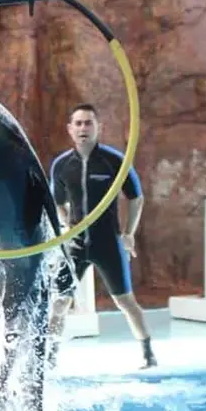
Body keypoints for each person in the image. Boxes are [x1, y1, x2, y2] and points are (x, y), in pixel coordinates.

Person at [47, 103, 157, 369]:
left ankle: (148, 353)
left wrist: (128, 233)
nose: (83, 128)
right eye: (79, 123)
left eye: (88, 123)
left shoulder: (114, 160)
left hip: (107, 242)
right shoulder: (61, 165)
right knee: (60, 302)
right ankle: (48, 358)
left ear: (98, 128)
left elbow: (136, 197)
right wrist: (66, 224)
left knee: (124, 301)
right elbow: (58, 202)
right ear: (70, 129)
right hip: (75, 244)